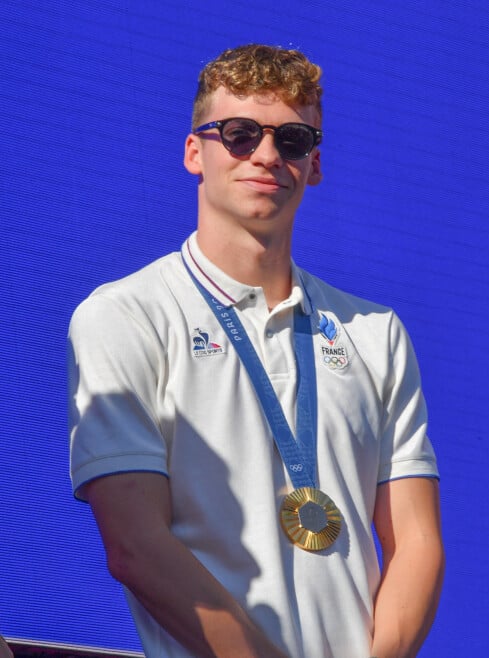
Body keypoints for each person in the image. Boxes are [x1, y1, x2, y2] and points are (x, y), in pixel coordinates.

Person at [68, 44, 444, 658]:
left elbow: (417, 541)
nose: (266, 154)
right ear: (196, 152)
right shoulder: (125, 315)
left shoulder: (376, 331)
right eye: (240, 134)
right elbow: (135, 545)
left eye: (291, 139)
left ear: (313, 164)